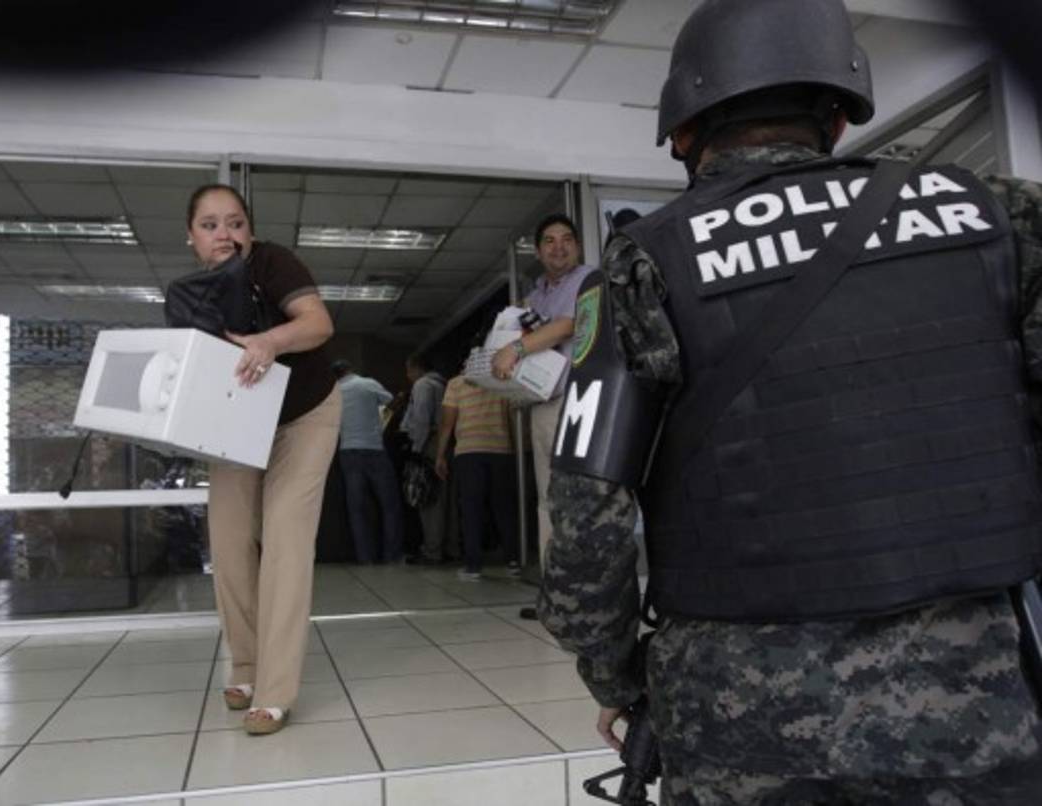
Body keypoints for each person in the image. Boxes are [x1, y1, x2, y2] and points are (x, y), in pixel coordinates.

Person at [540, 0, 1042, 803]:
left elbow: (585, 518)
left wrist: (618, 676)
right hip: (977, 701)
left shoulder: (644, 262)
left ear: (682, 132)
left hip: (738, 722)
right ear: (839, 116)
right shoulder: (998, 216)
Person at [185, 183, 341, 736]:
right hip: (241, 418)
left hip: (305, 413)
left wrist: (269, 341)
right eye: (210, 225)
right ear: (191, 237)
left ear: (249, 230)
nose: (224, 234)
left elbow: (318, 324)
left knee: (284, 537)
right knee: (228, 540)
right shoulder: (193, 293)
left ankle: (275, 690)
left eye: (235, 223)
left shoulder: (272, 263)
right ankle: (245, 665)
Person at [491, 213, 594, 574]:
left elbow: (568, 325)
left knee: (579, 494)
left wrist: (516, 349)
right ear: (537, 250)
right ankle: (555, 587)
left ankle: (584, 584)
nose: (559, 247)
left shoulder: (587, 279)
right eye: (549, 241)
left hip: (578, 401)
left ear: (577, 246)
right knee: (549, 497)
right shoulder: (535, 295)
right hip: (543, 403)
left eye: (567, 239)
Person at [435, 372, 520, 581]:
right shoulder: (503, 380)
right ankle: (513, 561)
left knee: (471, 509)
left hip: (469, 451)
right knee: (504, 508)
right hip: (502, 450)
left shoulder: (456, 383)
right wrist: (516, 449)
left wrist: (440, 455)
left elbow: (447, 422)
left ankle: (473, 566)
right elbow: (512, 418)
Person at [331, 359, 404, 564]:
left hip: (347, 452)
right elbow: (392, 403)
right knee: (389, 505)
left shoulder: (333, 393)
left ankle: (365, 558)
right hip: (374, 450)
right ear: (351, 369)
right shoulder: (367, 383)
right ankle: (392, 556)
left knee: (357, 509)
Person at [399, 352, 448, 563]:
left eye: (409, 370)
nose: (408, 375)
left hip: (428, 444)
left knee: (427, 499)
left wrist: (416, 449)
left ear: (417, 368)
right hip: (445, 444)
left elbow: (421, 418)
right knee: (446, 500)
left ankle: (431, 550)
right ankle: (449, 548)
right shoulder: (443, 384)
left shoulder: (422, 385)